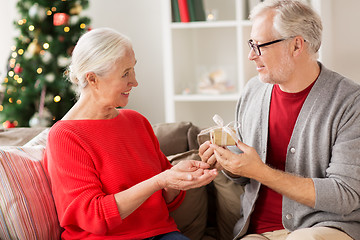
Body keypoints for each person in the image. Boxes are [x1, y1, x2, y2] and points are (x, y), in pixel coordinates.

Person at [199, 0, 360, 239]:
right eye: (250, 44)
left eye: (259, 45)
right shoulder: (252, 91)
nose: (251, 55)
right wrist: (229, 165)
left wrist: (262, 172)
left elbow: (345, 194)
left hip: (322, 228)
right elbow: (247, 174)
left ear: (296, 46)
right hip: (256, 232)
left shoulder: (349, 102)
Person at [43, 28, 218, 240]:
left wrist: (176, 179)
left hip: (163, 234)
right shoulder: (65, 136)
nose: (135, 82)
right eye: (125, 73)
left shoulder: (136, 121)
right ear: (92, 79)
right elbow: (93, 216)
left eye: (133, 69)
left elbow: (168, 200)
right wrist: (159, 180)